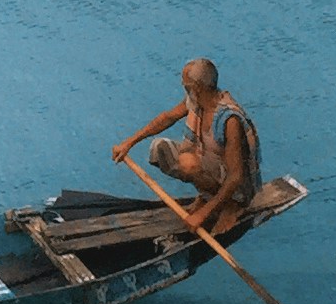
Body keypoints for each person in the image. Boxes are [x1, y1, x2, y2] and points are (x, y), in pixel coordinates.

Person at [111, 58, 260, 235]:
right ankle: (207, 196)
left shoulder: (229, 120)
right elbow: (167, 118)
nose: (183, 86)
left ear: (197, 87)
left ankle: (233, 206)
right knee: (162, 149)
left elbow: (236, 176)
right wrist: (129, 143)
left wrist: (203, 215)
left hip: (238, 184)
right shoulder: (196, 100)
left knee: (190, 164)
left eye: (186, 84)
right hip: (212, 165)